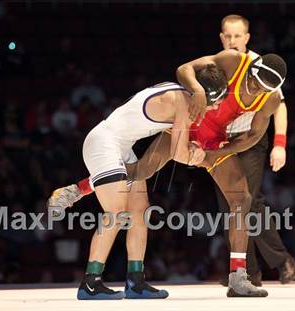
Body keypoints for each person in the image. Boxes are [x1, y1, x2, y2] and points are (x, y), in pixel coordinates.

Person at [49, 49, 286, 297]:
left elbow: (254, 136)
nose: (255, 89)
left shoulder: (266, 100)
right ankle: (91, 277)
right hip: (145, 133)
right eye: (253, 82)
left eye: (262, 89)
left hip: (207, 138)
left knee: (235, 199)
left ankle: (231, 277)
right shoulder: (227, 66)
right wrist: (197, 99)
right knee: (129, 190)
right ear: (250, 70)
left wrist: (213, 154)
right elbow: (185, 71)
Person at [68, 65, 226, 300]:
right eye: (215, 102)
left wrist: (195, 149)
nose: (216, 108)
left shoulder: (182, 96)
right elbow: (179, 154)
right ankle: (90, 282)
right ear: (203, 96)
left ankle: (135, 281)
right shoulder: (181, 102)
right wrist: (202, 155)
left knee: (140, 212)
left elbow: (175, 148)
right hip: (103, 143)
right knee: (116, 213)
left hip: (122, 148)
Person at [215, 14, 295, 285]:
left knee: (246, 201)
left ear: (247, 38)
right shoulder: (216, 65)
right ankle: (247, 273)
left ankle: (279, 261)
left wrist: (280, 145)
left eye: (237, 35)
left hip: (251, 139)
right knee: (231, 206)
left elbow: (280, 106)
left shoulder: (261, 66)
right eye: (227, 35)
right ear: (221, 37)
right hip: (221, 144)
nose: (232, 40)